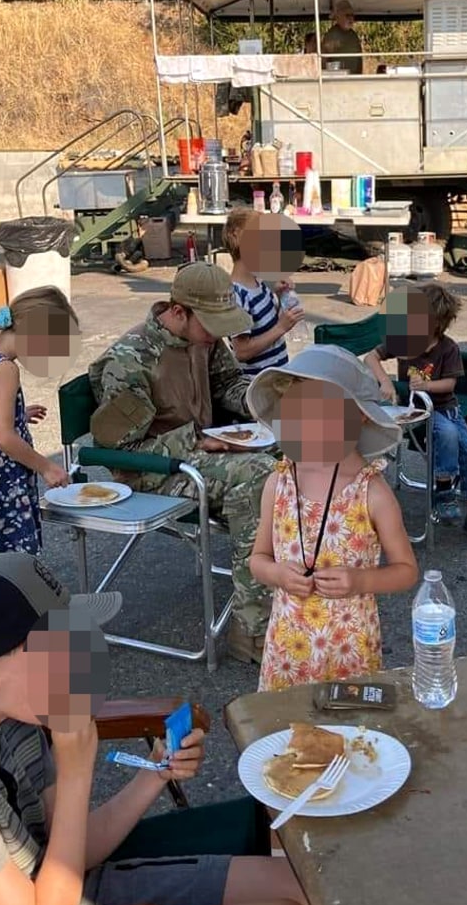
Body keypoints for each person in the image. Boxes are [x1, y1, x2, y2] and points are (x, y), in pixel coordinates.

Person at [0, 551, 318, 905]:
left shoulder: (15, 724)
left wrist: (155, 775)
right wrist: (77, 769)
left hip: (70, 893)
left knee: (303, 889)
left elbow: (71, 851)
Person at [88, 262, 275, 663]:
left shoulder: (201, 336)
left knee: (298, 457)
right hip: (152, 471)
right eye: (211, 324)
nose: (217, 334)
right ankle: (252, 628)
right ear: (178, 312)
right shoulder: (131, 358)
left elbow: (227, 384)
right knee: (259, 477)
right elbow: (123, 452)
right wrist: (196, 439)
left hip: (198, 454)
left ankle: (287, 593)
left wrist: (266, 401)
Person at [247, 346, 418, 692]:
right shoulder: (278, 482)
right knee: (285, 739)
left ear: (361, 416)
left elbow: (406, 570)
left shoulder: (373, 493)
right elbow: (258, 559)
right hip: (287, 650)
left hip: (350, 651)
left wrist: (361, 581)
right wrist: (277, 573)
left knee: (351, 738)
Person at [365, 283, 467, 546]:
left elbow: (450, 385)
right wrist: (384, 381)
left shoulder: (447, 348)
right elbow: (371, 357)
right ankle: (444, 491)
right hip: (416, 410)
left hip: (446, 409)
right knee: (447, 434)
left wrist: (426, 385)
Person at [0, 287, 79, 556]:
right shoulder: (6, 369)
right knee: (10, 564)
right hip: (0, 485)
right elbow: (4, 438)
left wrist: (18, 414)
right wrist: (47, 466)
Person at [224, 207, 306, 377]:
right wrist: (281, 327)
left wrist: (279, 296)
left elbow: (263, 325)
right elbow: (242, 351)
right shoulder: (236, 295)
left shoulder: (257, 283)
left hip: (275, 380)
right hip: (258, 388)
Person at [321, 0, 363, 76]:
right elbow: (324, 60)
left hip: (354, 79)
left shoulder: (354, 35)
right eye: (347, 15)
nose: (351, 18)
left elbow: (359, 58)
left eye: (352, 15)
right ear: (337, 17)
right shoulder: (332, 35)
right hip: (338, 80)